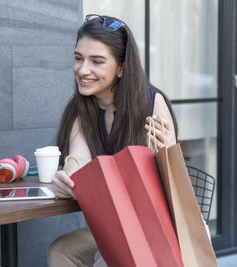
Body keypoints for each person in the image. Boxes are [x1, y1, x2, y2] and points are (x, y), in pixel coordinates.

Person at [48, 14, 178, 267]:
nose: (83, 70)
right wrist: (66, 181)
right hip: (116, 226)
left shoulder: (151, 103)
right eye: (78, 58)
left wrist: (169, 154)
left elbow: (173, 183)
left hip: (160, 226)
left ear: (121, 68)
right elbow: (79, 164)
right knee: (60, 251)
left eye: (97, 61)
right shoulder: (81, 109)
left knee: (105, 261)